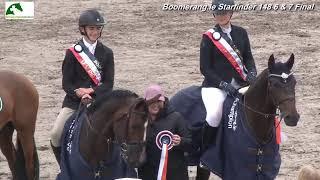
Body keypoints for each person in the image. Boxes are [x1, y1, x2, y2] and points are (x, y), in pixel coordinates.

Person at [50, 9, 114, 164]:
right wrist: (79, 93)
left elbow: (108, 83)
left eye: (98, 28)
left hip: (99, 100)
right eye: (92, 28)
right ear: (83, 29)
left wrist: (92, 91)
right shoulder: (72, 52)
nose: (95, 32)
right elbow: (66, 83)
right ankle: (63, 165)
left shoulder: (107, 53)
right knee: (56, 134)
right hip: (74, 101)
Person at [200, 0, 257, 150]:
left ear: (231, 13)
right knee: (214, 115)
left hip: (241, 83)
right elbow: (205, 68)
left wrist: (252, 72)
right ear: (214, 14)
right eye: (218, 13)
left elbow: (249, 58)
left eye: (224, 13)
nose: (221, 16)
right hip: (215, 86)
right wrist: (223, 84)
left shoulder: (241, 32)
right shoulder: (208, 37)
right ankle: (206, 150)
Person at [138, 84, 193, 180]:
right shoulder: (140, 119)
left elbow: (191, 144)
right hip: (148, 173)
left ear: (164, 101)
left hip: (174, 174)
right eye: (152, 101)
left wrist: (181, 141)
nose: (155, 105)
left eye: (159, 101)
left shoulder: (176, 117)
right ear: (146, 102)